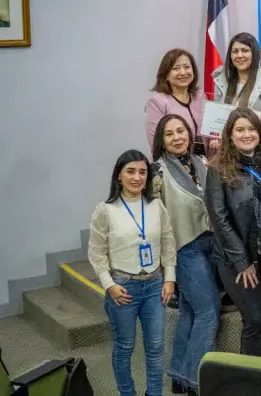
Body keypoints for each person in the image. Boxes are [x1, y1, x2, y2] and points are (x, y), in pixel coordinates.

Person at [88, 150, 176, 396]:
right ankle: (127, 393)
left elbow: (168, 242)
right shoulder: (105, 210)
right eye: (130, 171)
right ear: (118, 175)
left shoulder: (156, 205)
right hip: (123, 288)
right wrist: (109, 285)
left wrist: (169, 278)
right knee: (125, 346)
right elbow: (96, 253)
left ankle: (154, 393)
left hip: (154, 286)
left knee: (156, 347)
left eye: (142, 172)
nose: (137, 177)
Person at [205, 107, 261, 356]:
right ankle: (249, 382)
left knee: (259, 321)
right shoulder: (218, 170)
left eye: (251, 129)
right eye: (240, 129)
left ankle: (258, 377)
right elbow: (219, 219)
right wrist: (242, 262)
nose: (247, 134)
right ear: (230, 135)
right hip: (237, 262)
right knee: (255, 320)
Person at [151, 115, 217, 395]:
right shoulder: (157, 172)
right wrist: (166, 268)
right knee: (208, 310)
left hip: (209, 245)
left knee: (190, 311)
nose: (177, 137)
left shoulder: (201, 164)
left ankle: (179, 377)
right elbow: (155, 224)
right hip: (183, 249)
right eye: (170, 134)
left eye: (181, 131)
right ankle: (194, 382)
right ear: (161, 140)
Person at [146, 49, 206, 155]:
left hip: (205, 164)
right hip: (174, 165)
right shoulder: (157, 103)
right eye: (176, 68)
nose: (183, 72)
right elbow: (156, 144)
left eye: (187, 67)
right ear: (166, 75)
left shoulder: (201, 97)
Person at [212, 32, 261, 113]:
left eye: (245, 50)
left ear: (254, 53)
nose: (239, 55)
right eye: (235, 51)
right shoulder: (221, 80)